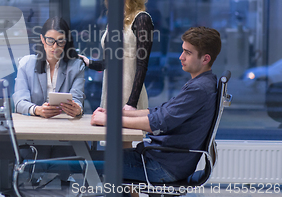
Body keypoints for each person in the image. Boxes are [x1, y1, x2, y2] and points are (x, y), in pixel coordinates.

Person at [91, 27, 222, 184]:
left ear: (205, 59)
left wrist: (108, 120)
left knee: (86, 162)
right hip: (161, 160)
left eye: (188, 53)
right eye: (183, 51)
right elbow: (159, 111)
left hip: (162, 167)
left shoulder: (199, 89)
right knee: (96, 158)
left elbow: (156, 123)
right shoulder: (202, 83)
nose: (181, 57)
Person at [80, 0, 153, 112]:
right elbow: (108, 63)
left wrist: (131, 103)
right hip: (109, 94)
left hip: (130, 97)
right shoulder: (114, 21)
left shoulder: (141, 19)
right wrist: (87, 61)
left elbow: (142, 65)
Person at [13, 16, 85, 118]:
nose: (55, 46)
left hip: (65, 123)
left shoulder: (76, 66)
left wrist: (78, 109)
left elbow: (78, 99)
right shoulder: (26, 64)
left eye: (61, 41)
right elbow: (19, 102)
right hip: (34, 123)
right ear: (42, 39)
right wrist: (37, 110)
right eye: (50, 40)